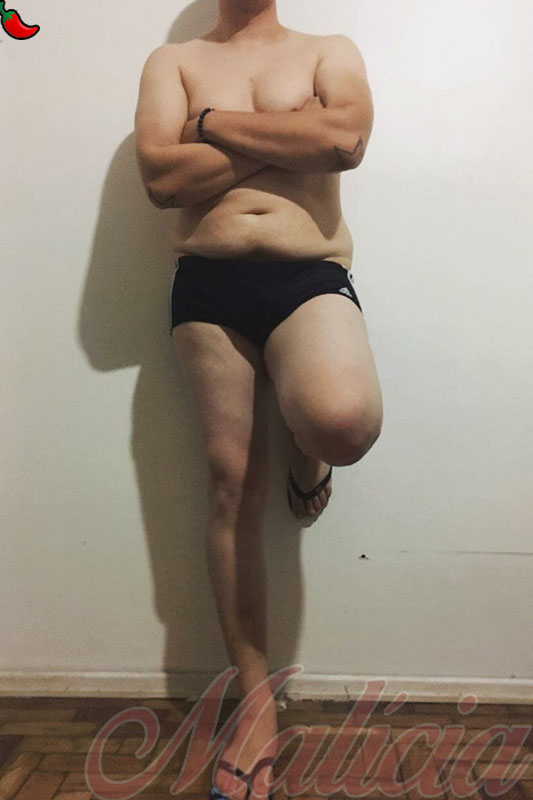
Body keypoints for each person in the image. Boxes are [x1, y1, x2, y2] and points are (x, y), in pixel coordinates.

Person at [135, 1, 383, 797]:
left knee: (342, 422)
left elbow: (343, 142)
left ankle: (307, 451)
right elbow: (161, 181)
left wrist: (209, 128)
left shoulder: (327, 48)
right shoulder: (173, 62)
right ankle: (254, 703)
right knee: (228, 480)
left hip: (308, 273)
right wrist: (287, 133)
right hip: (207, 285)